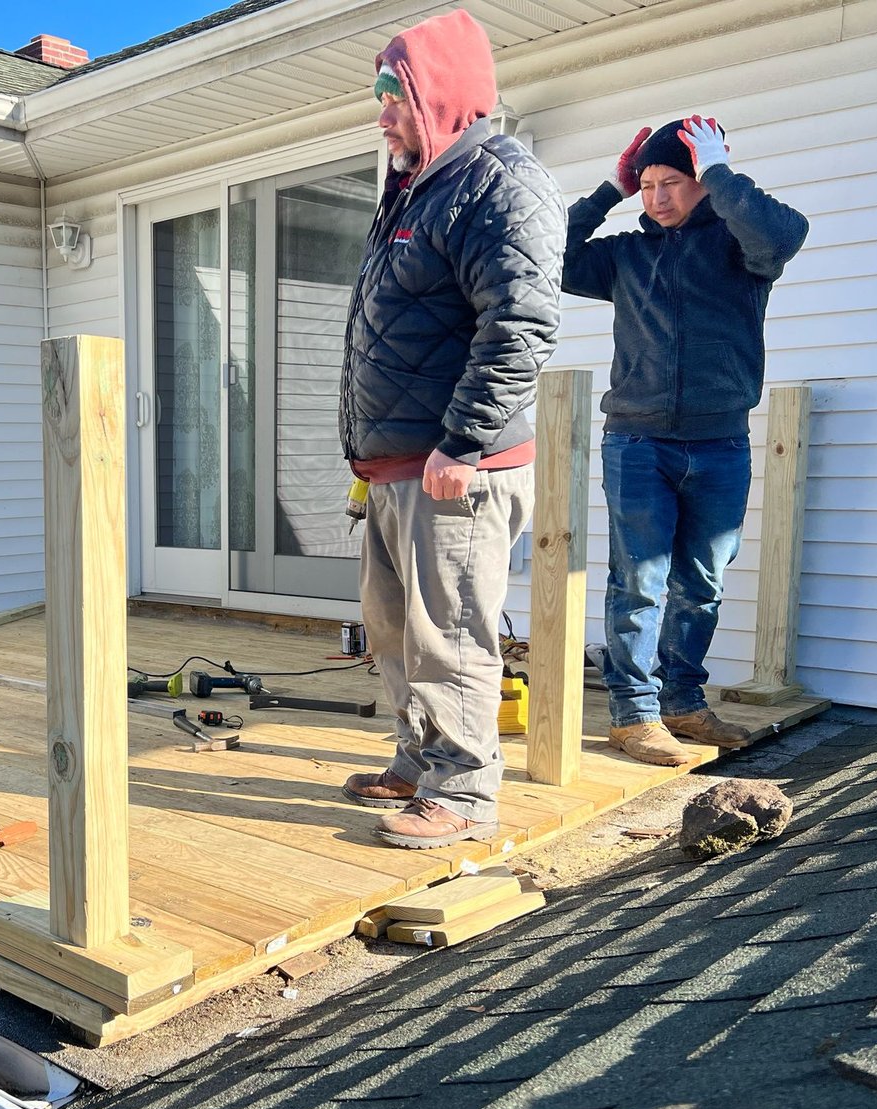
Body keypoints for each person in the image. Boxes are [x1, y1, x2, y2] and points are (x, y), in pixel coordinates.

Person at [337, 9, 564, 849]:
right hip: (397, 465)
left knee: (452, 633)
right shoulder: (419, 187)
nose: (383, 116)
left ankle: (464, 793)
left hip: (453, 464)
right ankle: (419, 761)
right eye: (381, 98)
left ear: (440, 94)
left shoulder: (499, 183)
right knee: (395, 629)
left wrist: (463, 441)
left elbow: (520, 324)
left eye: (394, 96)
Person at [564, 116, 809, 766]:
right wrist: (609, 189)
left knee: (701, 584)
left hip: (721, 445)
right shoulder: (624, 255)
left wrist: (721, 172)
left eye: (670, 181)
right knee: (639, 583)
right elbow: (543, 255)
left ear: (701, 179)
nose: (657, 197)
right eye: (646, 185)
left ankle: (682, 703)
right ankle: (634, 715)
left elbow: (785, 233)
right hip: (638, 444)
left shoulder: (741, 250)